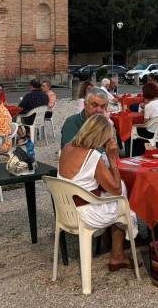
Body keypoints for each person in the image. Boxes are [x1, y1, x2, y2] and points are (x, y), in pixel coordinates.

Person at [58, 115, 139, 272]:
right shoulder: (93, 156)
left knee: (115, 198)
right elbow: (115, 188)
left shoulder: (67, 148)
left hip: (67, 211)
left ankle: (116, 253)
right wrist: (113, 160)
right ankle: (117, 255)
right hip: (86, 214)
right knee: (121, 197)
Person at [131, 82, 158, 156]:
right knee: (140, 131)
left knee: (134, 132)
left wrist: (134, 126)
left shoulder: (148, 106)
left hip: (152, 133)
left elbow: (145, 124)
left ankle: (136, 155)